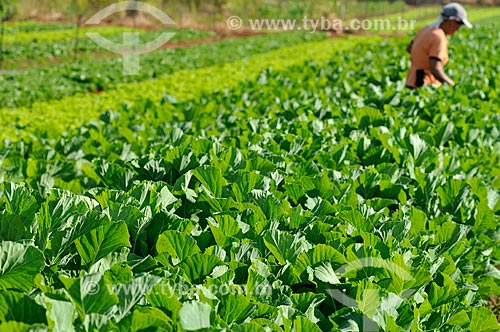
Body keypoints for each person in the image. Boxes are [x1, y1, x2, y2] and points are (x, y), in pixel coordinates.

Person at [406, 2, 472, 89]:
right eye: (459, 24)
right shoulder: (438, 37)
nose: (458, 29)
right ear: (451, 20)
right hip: (425, 86)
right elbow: (435, 68)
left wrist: (420, 61)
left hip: (411, 81)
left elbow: (409, 48)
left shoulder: (426, 29)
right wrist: (452, 85)